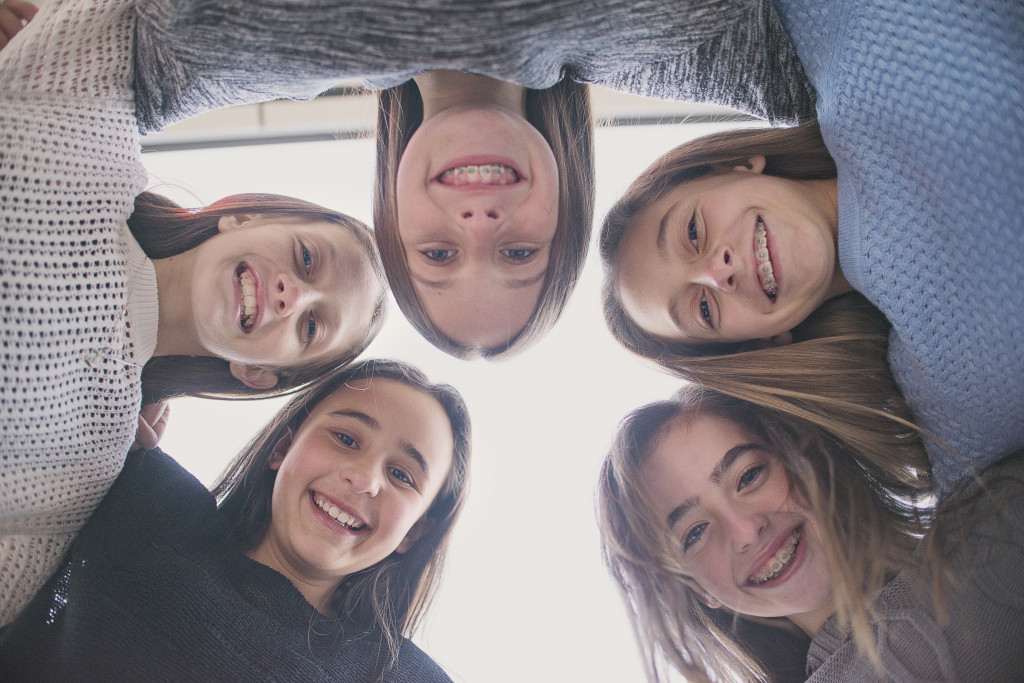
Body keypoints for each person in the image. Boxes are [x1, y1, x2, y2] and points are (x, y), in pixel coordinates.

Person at [130, 0, 819, 358]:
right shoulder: (718, 53)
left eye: (436, 255)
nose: (479, 225)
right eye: (519, 254)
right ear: (570, 213)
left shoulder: (223, 46)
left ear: (389, 219)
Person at [0, 0, 386, 626]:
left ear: (257, 374)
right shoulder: (83, 143)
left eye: (312, 326)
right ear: (245, 215)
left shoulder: (93, 458)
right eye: (307, 258)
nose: (295, 294)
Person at [601, 0, 1024, 490]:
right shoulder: (954, 405)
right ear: (761, 342)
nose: (718, 273)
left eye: (692, 232)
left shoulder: (847, 29)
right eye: (703, 309)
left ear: (734, 165)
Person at [0, 359, 471, 681]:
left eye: (401, 475)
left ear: (416, 531)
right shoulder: (151, 502)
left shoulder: (407, 677)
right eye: (347, 439)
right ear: (283, 448)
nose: (365, 479)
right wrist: (130, 403)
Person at [598, 384, 1024, 682]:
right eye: (694, 534)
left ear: (800, 456)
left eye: (748, 476)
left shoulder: (1000, 513)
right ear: (699, 591)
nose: (746, 530)